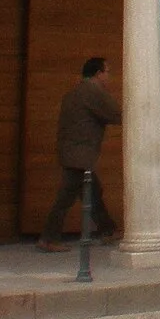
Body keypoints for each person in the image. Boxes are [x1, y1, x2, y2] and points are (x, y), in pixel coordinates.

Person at [38, 57, 119, 250]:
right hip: (80, 155)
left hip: (72, 152)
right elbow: (116, 114)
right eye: (107, 72)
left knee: (92, 193)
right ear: (98, 74)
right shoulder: (93, 92)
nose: (109, 76)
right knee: (66, 198)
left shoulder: (75, 92)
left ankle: (108, 230)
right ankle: (49, 239)